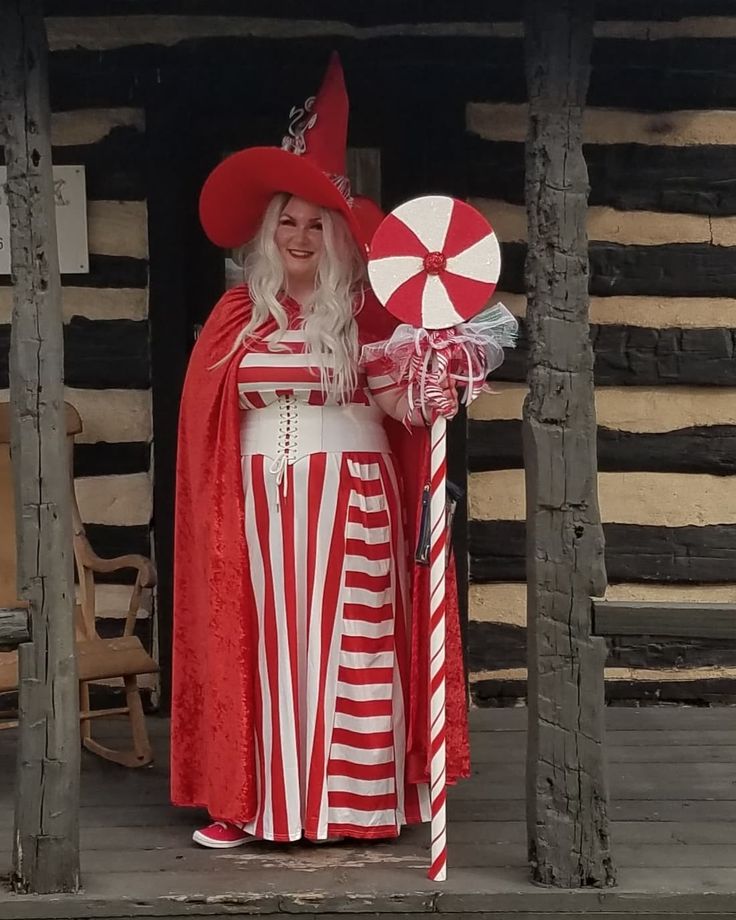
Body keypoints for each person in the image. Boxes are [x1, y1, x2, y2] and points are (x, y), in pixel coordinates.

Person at [171, 53, 469, 848]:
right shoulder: (236, 314)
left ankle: (353, 805)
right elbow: (207, 420)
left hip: (352, 501)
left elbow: (397, 402)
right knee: (262, 644)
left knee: (354, 644)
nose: (301, 236)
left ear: (337, 233)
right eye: (287, 221)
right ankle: (252, 802)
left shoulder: (366, 313)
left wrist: (435, 384)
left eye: (316, 223)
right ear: (268, 231)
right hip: (260, 511)